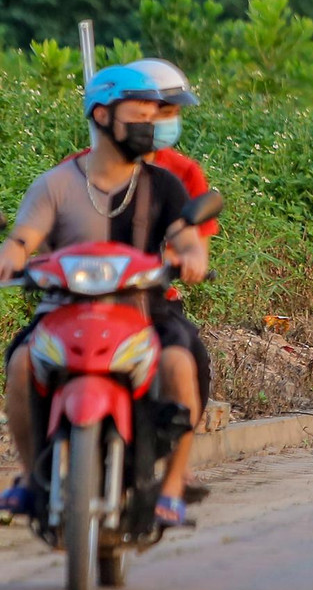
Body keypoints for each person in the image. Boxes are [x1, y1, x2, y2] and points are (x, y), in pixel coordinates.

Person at [0, 64, 208, 525]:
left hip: (142, 310)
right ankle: (32, 479)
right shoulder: (54, 184)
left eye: (156, 115)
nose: (151, 124)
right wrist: (11, 255)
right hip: (65, 310)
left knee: (180, 363)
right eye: (141, 114)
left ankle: (172, 487)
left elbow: (187, 235)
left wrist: (192, 255)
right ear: (103, 115)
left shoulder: (165, 185)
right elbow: (24, 236)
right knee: (19, 363)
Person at [63, 57, 216, 408]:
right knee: (29, 358)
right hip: (81, 296)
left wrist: (182, 259)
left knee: (192, 359)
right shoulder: (76, 170)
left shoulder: (182, 175)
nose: (161, 121)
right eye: (153, 111)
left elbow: (195, 244)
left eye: (167, 113)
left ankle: (179, 456)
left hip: (151, 297)